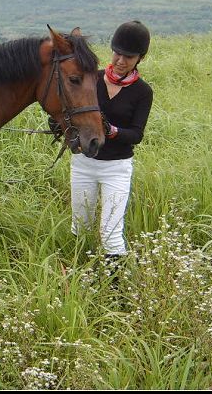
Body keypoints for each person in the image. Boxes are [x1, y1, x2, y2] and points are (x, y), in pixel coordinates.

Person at [52, 21, 154, 261]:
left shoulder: (142, 92)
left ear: (140, 58)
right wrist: (59, 123)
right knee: (80, 227)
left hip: (116, 169)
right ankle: (81, 279)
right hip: (83, 165)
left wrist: (112, 131)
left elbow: (137, 134)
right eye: (117, 53)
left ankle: (116, 293)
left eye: (128, 56)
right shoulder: (92, 78)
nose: (120, 60)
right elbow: (72, 110)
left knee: (111, 233)